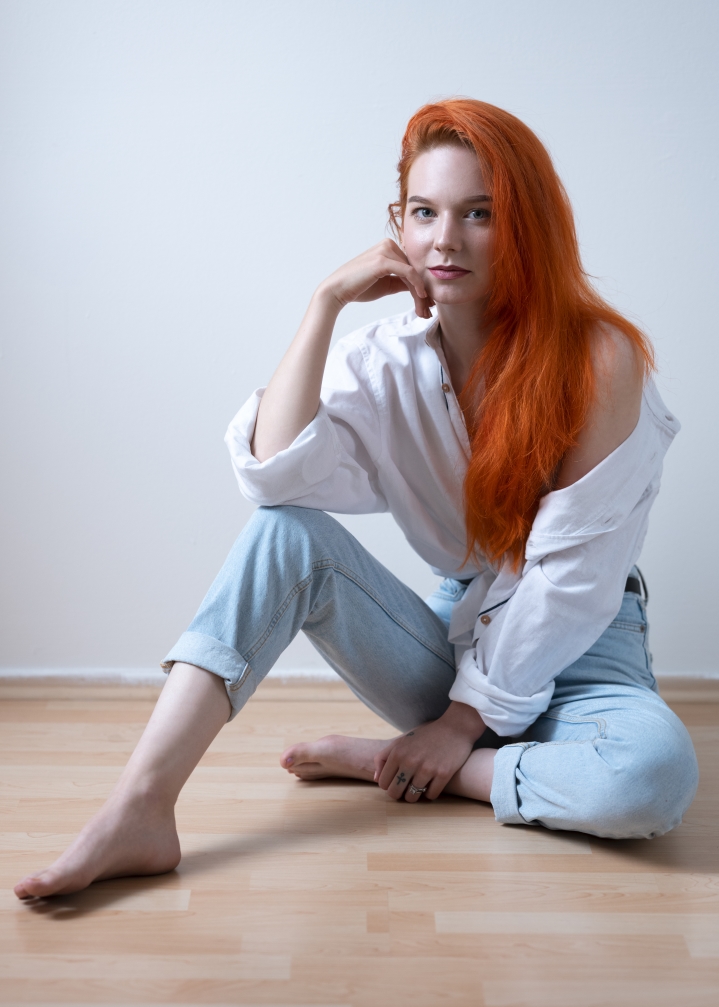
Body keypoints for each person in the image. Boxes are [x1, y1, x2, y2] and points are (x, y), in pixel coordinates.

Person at [15, 99, 699, 900]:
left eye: (479, 213)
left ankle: (404, 763)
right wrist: (324, 304)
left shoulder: (598, 358)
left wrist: (455, 730)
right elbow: (273, 478)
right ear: (396, 224)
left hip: (586, 648)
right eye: (424, 212)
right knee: (285, 533)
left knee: (650, 778)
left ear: (527, 225)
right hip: (456, 640)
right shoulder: (384, 361)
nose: (445, 240)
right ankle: (139, 808)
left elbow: (567, 583)